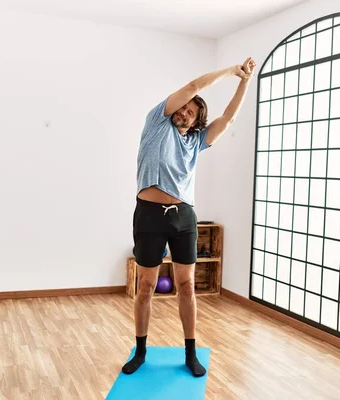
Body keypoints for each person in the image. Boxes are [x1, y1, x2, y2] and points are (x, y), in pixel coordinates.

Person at [123, 57, 257, 377]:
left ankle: (190, 353)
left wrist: (244, 81)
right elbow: (194, 87)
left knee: (186, 286)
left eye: (191, 112)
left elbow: (228, 117)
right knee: (146, 285)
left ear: (196, 121)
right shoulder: (157, 122)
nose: (183, 111)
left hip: (184, 217)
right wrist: (230, 70)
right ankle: (140, 350)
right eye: (183, 107)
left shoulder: (196, 143)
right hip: (150, 215)